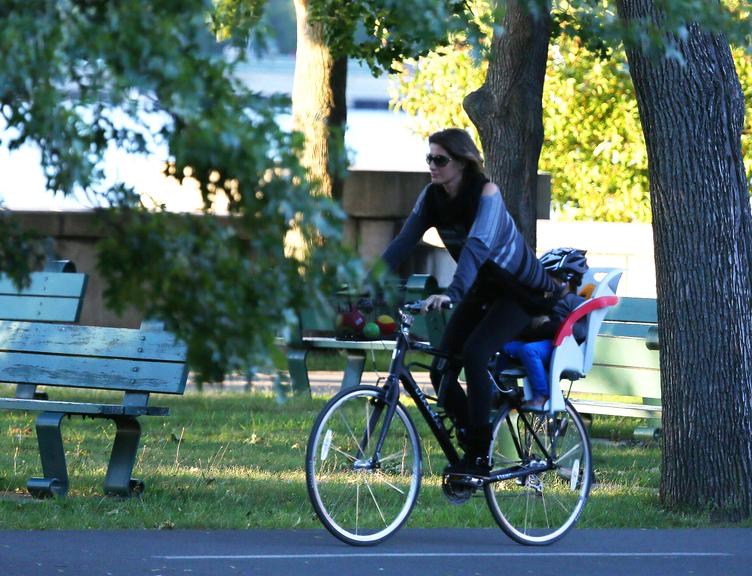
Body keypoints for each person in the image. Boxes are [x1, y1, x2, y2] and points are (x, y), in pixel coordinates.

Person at [380, 128, 565, 476]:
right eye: (429, 159)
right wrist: (369, 279)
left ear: (463, 162)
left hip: (520, 291)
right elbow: (405, 239)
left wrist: (452, 293)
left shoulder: (487, 194)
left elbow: (477, 247)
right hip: (483, 288)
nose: (433, 166)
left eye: (440, 159)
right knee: (440, 369)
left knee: (476, 353)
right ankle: (473, 435)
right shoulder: (432, 197)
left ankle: (480, 455)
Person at [498, 248, 589, 412]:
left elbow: (581, 331)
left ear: (566, 280)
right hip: (543, 342)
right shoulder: (547, 300)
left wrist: (550, 324)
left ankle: (542, 396)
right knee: (503, 347)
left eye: (549, 278)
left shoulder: (574, 302)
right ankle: (502, 391)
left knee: (529, 350)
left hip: (562, 348)